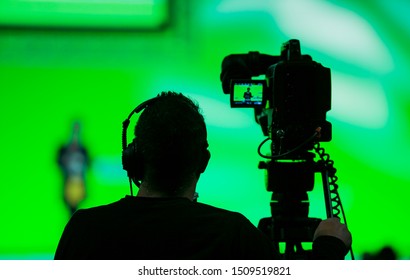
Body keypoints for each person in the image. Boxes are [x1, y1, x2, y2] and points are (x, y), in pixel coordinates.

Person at [54, 91, 351, 260]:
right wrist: (329, 247)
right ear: (203, 161)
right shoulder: (233, 235)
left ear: (133, 159)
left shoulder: (84, 231)